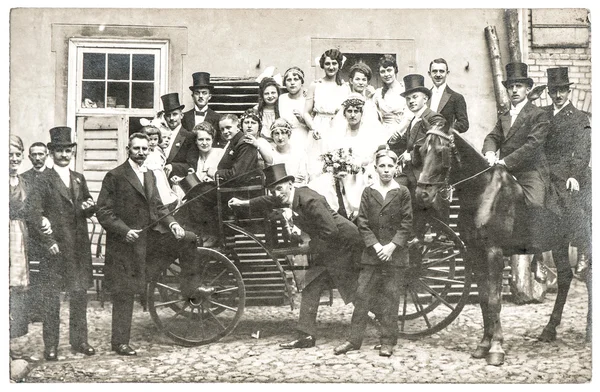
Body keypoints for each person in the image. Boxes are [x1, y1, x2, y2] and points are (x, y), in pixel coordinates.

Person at [228, 164, 362, 349]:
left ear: (290, 184)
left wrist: (308, 247)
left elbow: (331, 232)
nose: (276, 193)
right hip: (331, 245)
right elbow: (268, 200)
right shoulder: (288, 196)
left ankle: (386, 324)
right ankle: (306, 336)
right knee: (313, 286)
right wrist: (244, 203)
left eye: (279, 188)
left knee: (351, 288)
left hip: (346, 244)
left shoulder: (308, 201)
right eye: (273, 190)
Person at [96, 133, 196, 356]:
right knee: (124, 292)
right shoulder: (115, 175)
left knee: (188, 238)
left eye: (144, 149)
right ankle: (120, 342)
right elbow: (103, 211)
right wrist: (125, 231)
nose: (141, 152)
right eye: (136, 149)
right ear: (127, 149)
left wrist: (172, 225)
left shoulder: (150, 175)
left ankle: (189, 289)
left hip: (148, 240)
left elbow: (159, 208)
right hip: (125, 243)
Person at [27, 127, 98, 360]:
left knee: (79, 295)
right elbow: (33, 213)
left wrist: (89, 206)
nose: (64, 155)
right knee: (51, 298)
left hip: (78, 248)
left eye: (68, 150)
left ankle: (80, 341)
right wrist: (48, 241)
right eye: (59, 151)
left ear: (72, 151)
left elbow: (87, 203)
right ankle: (51, 345)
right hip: (56, 249)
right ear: (51, 152)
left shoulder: (79, 178)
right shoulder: (43, 180)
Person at [334, 147, 412, 357]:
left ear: (396, 168)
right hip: (372, 254)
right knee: (362, 295)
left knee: (390, 296)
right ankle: (354, 339)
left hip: (394, 255)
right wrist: (377, 246)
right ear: (376, 168)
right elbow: (363, 222)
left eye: (390, 166)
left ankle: (388, 341)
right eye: (382, 166)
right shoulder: (369, 192)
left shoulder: (402, 192)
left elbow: (406, 223)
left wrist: (391, 246)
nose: (386, 170)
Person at [482, 62, 551, 253]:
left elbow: (532, 145)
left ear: (528, 89)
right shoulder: (504, 116)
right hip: (505, 170)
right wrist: (489, 152)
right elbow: (492, 137)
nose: (514, 90)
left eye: (518, 86)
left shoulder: (538, 115)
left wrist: (504, 161)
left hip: (530, 170)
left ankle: (537, 254)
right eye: (510, 86)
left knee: (535, 203)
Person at [543, 67, 591, 278]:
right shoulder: (542, 114)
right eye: (554, 91)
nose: (558, 95)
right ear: (549, 92)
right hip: (543, 168)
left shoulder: (579, 118)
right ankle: (537, 260)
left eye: (562, 90)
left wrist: (574, 175)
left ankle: (584, 249)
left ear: (568, 91)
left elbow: (582, 152)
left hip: (567, 170)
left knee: (569, 203)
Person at [311, 93, 384, 220]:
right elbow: (334, 155)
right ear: (344, 114)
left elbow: (372, 156)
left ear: (362, 114)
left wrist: (360, 163)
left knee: (363, 177)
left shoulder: (370, 132)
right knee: (322, 182)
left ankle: (358, 212)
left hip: (364, 169)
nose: (353, 114)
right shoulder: (338, 133)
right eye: (349, 111)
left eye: (356, 111)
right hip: (344, 172)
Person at [303, 48, 351, 177]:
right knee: (318, 167)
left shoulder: (344, 87)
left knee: (338, 165)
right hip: (319, 128)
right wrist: (313, 128)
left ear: (339, 65)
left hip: (339, 128)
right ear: (323, 65)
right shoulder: (315, 85)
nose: (331, 67)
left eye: (334, 63)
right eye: (328, 63)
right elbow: (306, 112)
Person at [9, 135, 31, 380]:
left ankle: (11, 349)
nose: (14, 159)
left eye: (17, 155)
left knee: (15, 291)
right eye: (9, 155)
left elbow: (31, 210)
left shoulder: (24, 181)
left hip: (18, 236)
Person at [21, 141, 49, 323]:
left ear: (47, 155)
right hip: (29, 232)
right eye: (34, 155)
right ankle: (32, 309)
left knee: (47, 271)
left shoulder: (53, 177)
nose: (37, 158)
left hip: (49, 233)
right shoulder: (23, 178)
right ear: (29, 157)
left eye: (41, 154)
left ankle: (46, 310)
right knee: (30, 270)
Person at [161, 92, 199, 183]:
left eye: (175, 114)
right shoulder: (158, 135)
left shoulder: (189, 137)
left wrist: (172, 166)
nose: (171, 118)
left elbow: (192, 165)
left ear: (181, 115)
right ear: (164, 117)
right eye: (168, 115)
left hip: (177, 182)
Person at [140, 125, 179, 210]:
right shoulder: (143, 153)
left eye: (155, 139)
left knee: (166, 198)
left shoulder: (158, 152)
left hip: (160, 179)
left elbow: (161, 170)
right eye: (150, 139)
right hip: (149, 179)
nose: (153, 142)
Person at [373, 55, 411, 140]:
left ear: (395, 70)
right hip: (383, 135)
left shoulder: (404, 90)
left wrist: (398, 132)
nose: (386, 74)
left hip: (402, 134)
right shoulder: (378, 94)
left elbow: (409, 116)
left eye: (389, 70)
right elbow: (374, 117)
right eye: (383, 71)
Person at [182, 72, 225, 147]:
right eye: (197, 93)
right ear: (192, 96)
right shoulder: (184, 117)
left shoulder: (218, 118)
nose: (201, 96)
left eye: (204, 93)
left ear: (209, 96)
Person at [427, 58, 469, 133]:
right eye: (434, 71)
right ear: (429, 74)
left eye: (442, 71)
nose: (438, 75)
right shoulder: (425, 97)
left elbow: (464, 124)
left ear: (447, 73)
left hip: (445, 141)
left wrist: (444, 128)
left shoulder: (456, 98)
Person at [270, 118, 309, 186]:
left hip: (298, 187)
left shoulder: (298, 152)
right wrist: (292, 179)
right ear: (272, 136)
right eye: (276, 134)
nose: (280, 137)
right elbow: (273, 180)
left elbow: (302, 177)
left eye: (283, 133)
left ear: (289, 135)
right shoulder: (271, 153)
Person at [278, 66, 309, 150]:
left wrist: (302, 120)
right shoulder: (282, 98)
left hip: (304, 138)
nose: (292, 83)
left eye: (296, 79)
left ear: (301, 82)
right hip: (285, 139)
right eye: (289, 80)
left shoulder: (307, 99)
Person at [254, 77, 280, 143]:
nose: (270, 96)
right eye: (266, 93)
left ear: (278, 93)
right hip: (262, 143)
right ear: (262, 95)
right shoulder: (257, 110)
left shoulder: (282, 108)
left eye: (273, 92)